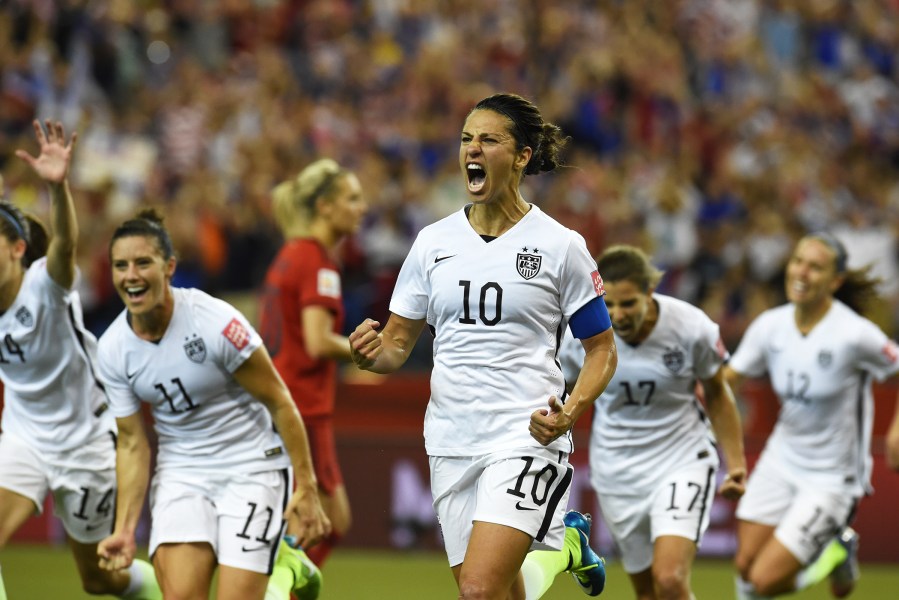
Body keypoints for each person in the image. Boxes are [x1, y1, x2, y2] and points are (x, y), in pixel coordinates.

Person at [349, 93, 618, 600]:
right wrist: (369, 353)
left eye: (489, 139)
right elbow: (395, 346)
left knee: (477, 589)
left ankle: (564, 546)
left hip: (525, 437)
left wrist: (571, 411)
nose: (473, 149)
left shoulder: (561, 246)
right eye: (466, 139)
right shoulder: (432, 243)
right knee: (498, 595)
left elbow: (602, 349)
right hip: (451, 439)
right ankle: (567, 549)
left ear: (521, 156)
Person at [94, 209, 331, 600]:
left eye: (143, 263)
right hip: (182, 472)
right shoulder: (113, 349)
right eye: (120, 265)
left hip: (252, 465)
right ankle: (282, 572)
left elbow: (279, 401)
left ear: (169, 267)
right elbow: (132, 443)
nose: (130, 275)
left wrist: (305, 486)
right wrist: (123, 528)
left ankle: (285, 571)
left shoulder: (216, 322)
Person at [0, 120, 161, 599]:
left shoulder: (43, 288)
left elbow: (66, 247)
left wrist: (58, 187)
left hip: (85, 442)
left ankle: (156, 589)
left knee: (98, 578)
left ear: (17, 249)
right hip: (24, 437)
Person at [559, 244, 747, 600]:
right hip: (617, 471)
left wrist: (736, 464)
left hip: (682, 459)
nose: (618, 314)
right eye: (608, 304)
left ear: (650, 290)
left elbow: (719, 395)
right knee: (647, 592)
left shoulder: (693, 329)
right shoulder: (579, 339)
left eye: (628, 303)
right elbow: (560, 393)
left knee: (671, 580)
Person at [725, 233, 899, 599]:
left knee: (763, 581)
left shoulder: (855, 334)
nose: (802, 272)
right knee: (744, 565)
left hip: (832, 478)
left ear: (835, 281)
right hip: (781, 459)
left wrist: (897, 433)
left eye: (815, 267)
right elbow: (727, 381)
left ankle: (835, 554)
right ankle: (833, 557)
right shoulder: (771, 325)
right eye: (798, 261)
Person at [257, 158, 367, 566]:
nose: (362, 207)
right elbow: (318, 342)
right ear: (324, 206)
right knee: (328, 521)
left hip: (281, 400)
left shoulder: (290, 254)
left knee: (308, 522)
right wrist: (367, 353)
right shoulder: (318, 262)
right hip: (302, 407)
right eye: (352, 198)